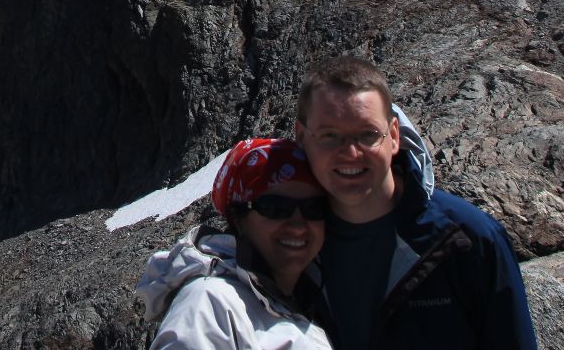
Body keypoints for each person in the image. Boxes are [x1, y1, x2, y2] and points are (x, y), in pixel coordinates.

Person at [294, 56, 536, 350]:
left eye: (367, 135)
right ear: (301, 137)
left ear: (393, 135)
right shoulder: (288, 240)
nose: (351, 153)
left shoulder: (467, 240)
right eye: (330, 136)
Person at [136, 138, 335, 350]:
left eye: (313, 208)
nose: (298, 225)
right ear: (237, 218)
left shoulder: (318, 309)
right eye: (275, 208)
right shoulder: (209, 303)